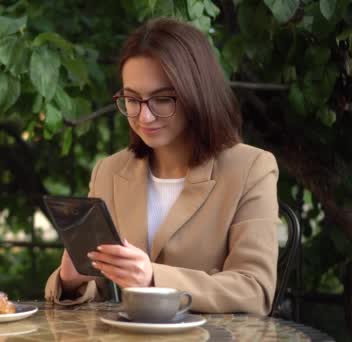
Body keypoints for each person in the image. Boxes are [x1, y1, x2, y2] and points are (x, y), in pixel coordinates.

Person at [44, 17, 279, 315]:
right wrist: (72, 280)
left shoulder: (251, 167)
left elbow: (255, 290)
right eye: (132, 99)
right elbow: (101, 289)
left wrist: (154, 278)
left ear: (197, 93)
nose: (145, 117)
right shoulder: (109, 171)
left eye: (163, 99)